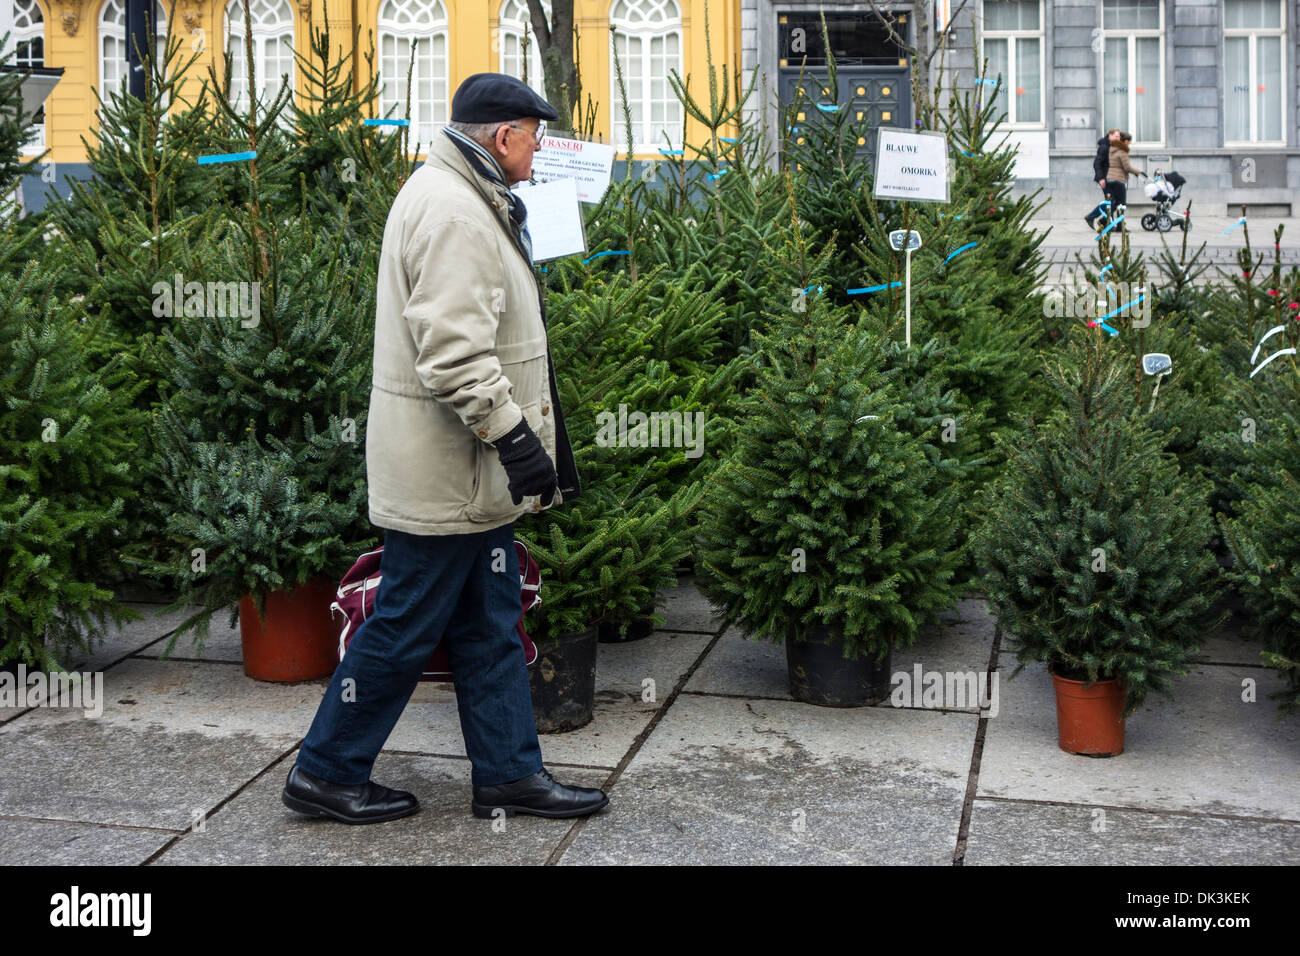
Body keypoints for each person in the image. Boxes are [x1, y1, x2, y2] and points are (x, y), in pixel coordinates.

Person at [281, 73, 608, 825]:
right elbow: (455, 356)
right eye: (535, 133)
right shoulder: (454, 211)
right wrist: (518, 440)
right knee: (403, 624)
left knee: (490, 626)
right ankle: (326, 772)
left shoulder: (465, 195)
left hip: (470, 477)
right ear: (502, 137)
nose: (542, 147)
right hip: (450, 472)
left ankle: (508, 775)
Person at [1103, 131, 1144, 233]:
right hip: (1118, 179)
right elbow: (1127, 167)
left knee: (1112, 203)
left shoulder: (1112, 149)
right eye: (1129, 142)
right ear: (1125, 141)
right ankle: (1120, 226)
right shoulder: (1123, 151)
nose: (1129, 144)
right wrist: (1138, 171)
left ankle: (1109, 223)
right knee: (1121, 204)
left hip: (1109, 178)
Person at [1084, 128, 1121, 230]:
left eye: (1119, 137)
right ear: (1110, 135)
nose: (1118, 138)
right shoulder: (1104, 147)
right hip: (1105, 179)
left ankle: (1106, 222)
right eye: (1116, 136)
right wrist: (1101, 178)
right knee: (1111, 201)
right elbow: (1097, 163)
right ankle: (1091, 217)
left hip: (1113, 178)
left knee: (1114, 201)